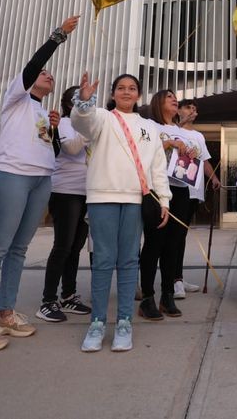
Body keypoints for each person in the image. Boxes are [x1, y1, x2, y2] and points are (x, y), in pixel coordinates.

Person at [0, 16, 80, 351]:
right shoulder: (16, 98)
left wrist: (55, 130)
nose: (48, 75)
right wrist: (58, 36)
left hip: (41, 180)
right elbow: (32, 66)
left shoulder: (44, 112)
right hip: (11, 175)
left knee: (18, 249)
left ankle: (6, 314)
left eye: (50, 76)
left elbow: (54, 152)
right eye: (44, 74)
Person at [72, 72, 171, 352]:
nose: (126, 92)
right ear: (113, 93)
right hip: (102, 196)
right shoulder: (101, 116)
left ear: (138, 95)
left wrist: (164, 199)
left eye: (132, 88)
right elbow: (82, 123)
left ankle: (125, 322)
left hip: (136, 200)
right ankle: (97, 323)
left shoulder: (150, 127)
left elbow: (158, 167)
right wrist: (84, 101)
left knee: (129, 261)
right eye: (121, 88)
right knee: (103, 260)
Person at [36, 87, 92, 323]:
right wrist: (90, 131)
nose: (87, 103)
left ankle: (68, 295)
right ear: (70, 104)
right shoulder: (65, 124)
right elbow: (71, 148)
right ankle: (48, 301)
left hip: (87, 192)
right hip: (65, 190)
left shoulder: (88, 124)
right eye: (82, 99)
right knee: (63, 246)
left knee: (76, 247)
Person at [138, 89, 193, 320]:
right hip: (156, 191)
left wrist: (189, 151)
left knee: (174, 244)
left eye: (175, 97)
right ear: (158, 102)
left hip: (181, 190)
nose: (174, 98)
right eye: (168, 96)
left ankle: (167, 294)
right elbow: (142, 154)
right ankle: (148, 297)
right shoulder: (148, 126)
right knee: (154, 244)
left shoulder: (182, 130)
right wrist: (168, 143)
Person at [175, 99, 221, 297]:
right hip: (175, 188)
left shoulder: (198, 136)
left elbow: (204, 161)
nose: (192, 110)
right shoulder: (172, 130)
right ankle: (174, 280)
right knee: (174, 236)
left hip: (193, 191)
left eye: (194, 108)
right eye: (188, 107)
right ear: (178, 110)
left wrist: (214, 178)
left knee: (181, 235)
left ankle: (178, 277)